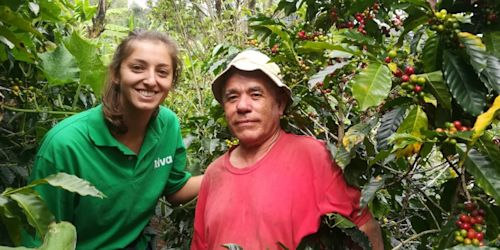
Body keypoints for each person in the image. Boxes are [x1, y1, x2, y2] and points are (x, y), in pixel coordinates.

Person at [24, 30, 202, 249]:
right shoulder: (65, 145)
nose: (150, 80)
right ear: (116, 74)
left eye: (162, 72)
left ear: (172, 81)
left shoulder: (168, 125)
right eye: (138, 68)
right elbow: (41, 236)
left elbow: (175, 190)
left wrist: (233, 167)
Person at [191, 49, 384, 249]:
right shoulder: (214, 174)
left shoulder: (313, 156)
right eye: (232, 97)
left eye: (256, 94)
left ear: (280, 104)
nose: (242, 106)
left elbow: (364, 227)